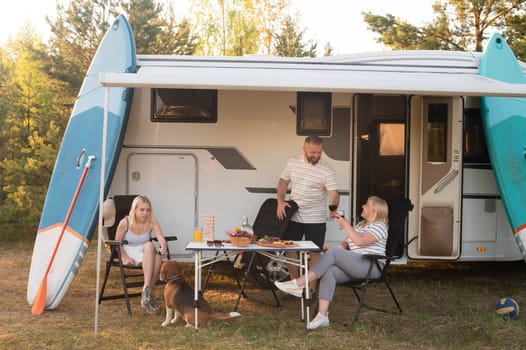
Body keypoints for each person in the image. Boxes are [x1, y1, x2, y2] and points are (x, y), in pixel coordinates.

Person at [274, 196, 389, 330]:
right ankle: (322, 316)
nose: (363, 206)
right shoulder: (361, 225)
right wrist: (342, 247)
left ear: (375, 210)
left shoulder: (380, 226)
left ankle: (299, 283)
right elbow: (347, 241)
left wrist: (346, 225)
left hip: (371, 266)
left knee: (333, 252)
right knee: (331, 270)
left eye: (367, 205)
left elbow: (360, 242)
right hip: (357, 263)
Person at [276, 135, 339, 280]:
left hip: (315, 219)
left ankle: (310, 291)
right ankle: (295, 285)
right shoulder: (293, 162)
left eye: (319, 152)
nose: (316, 156)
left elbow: (334, 193)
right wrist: (280, 201)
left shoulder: (326, 169)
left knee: (314, 253)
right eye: (313, 152)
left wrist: (333, 208)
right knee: (290, 250)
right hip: (294, 215)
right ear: (304, 149)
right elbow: (283, 181)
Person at [114, 195, 168, 315]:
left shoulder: (151, 221)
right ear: (135, 209)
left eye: (148, 210)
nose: (145, 213)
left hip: (145, 252)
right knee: (150, 247)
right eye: (142, 210)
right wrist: (126, 258)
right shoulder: (125, 222)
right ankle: (148, 293)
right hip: (128, 251)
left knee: (156, 253)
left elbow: (160, 237)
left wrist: (163, 245)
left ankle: (146, 293)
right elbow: (117, 244)